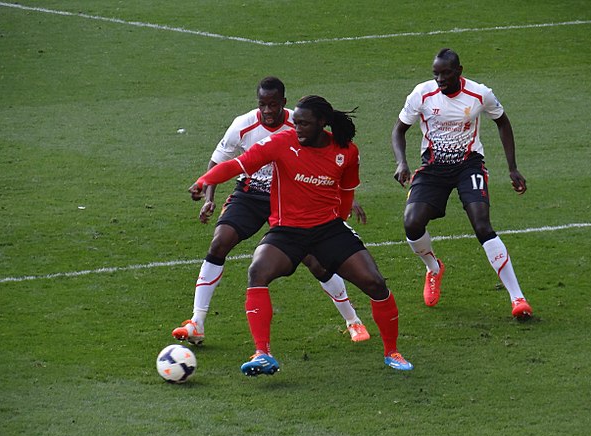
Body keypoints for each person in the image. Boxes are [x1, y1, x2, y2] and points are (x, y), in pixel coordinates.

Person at [189, 95, 413, 375]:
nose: (297, 129)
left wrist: (337, 228)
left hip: (328, 229)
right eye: (295, 123)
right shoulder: (282, 143)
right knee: (258, 271)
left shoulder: (347, 152)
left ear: (322, 124)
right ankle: (262, 353)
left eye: (304, 124)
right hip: (287, 231)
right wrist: (204, 180)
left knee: (376, 284)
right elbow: (239, 164)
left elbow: (345, 195)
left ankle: (392, 351)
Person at [172, 77, 370, 346]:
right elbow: (220, 162)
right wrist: (208, 195)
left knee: (315, 261)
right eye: (262, 104)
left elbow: (330, 162)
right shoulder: (242, 125)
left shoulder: (301, 125)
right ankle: (197, 321)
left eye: (273, 105)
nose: (267, 110)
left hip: (292, 197)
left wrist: (345, 197)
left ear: (284, 104)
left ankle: (353, 321)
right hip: (251, 193)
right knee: (219, 242)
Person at [391, 48, 533, 319]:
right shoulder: (421, 94)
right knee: (411, 222)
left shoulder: (480, 93)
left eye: (445, 73)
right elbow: (399, 130)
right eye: (436, 73)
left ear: (459, 71)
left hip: (469, 165)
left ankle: (518, 298)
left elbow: (503, 123)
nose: (440, 79)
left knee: (482, 224)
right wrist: (401, 162)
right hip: (433, 167)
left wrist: (512, 167)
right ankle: (433, 268)